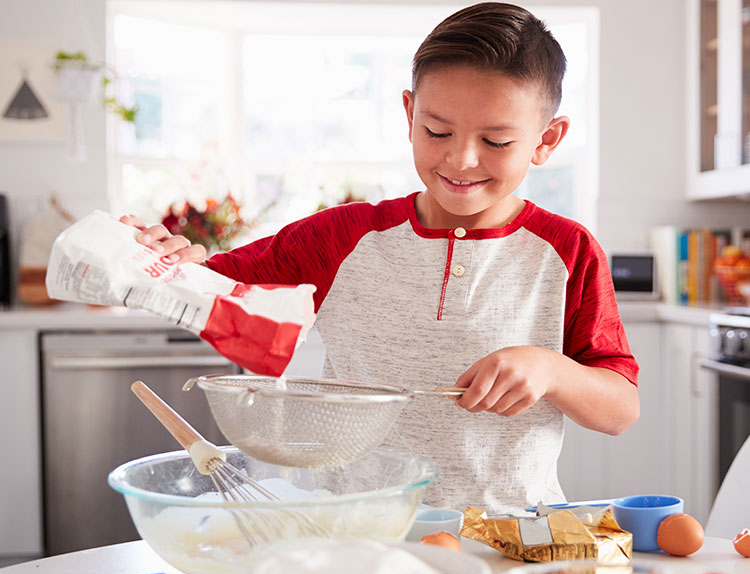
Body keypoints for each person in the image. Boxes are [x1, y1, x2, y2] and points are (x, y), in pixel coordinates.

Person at [122, 2, 639, 515]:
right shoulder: (342, 236)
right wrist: (167, 260)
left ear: (546, 140)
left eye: (496, 140)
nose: (461, 159)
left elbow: (620, 410)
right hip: (356, 527)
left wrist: (551, 369)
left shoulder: (567, 251)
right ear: (410, 114)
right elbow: (209, 289)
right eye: (438, 132)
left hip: (511, 533)